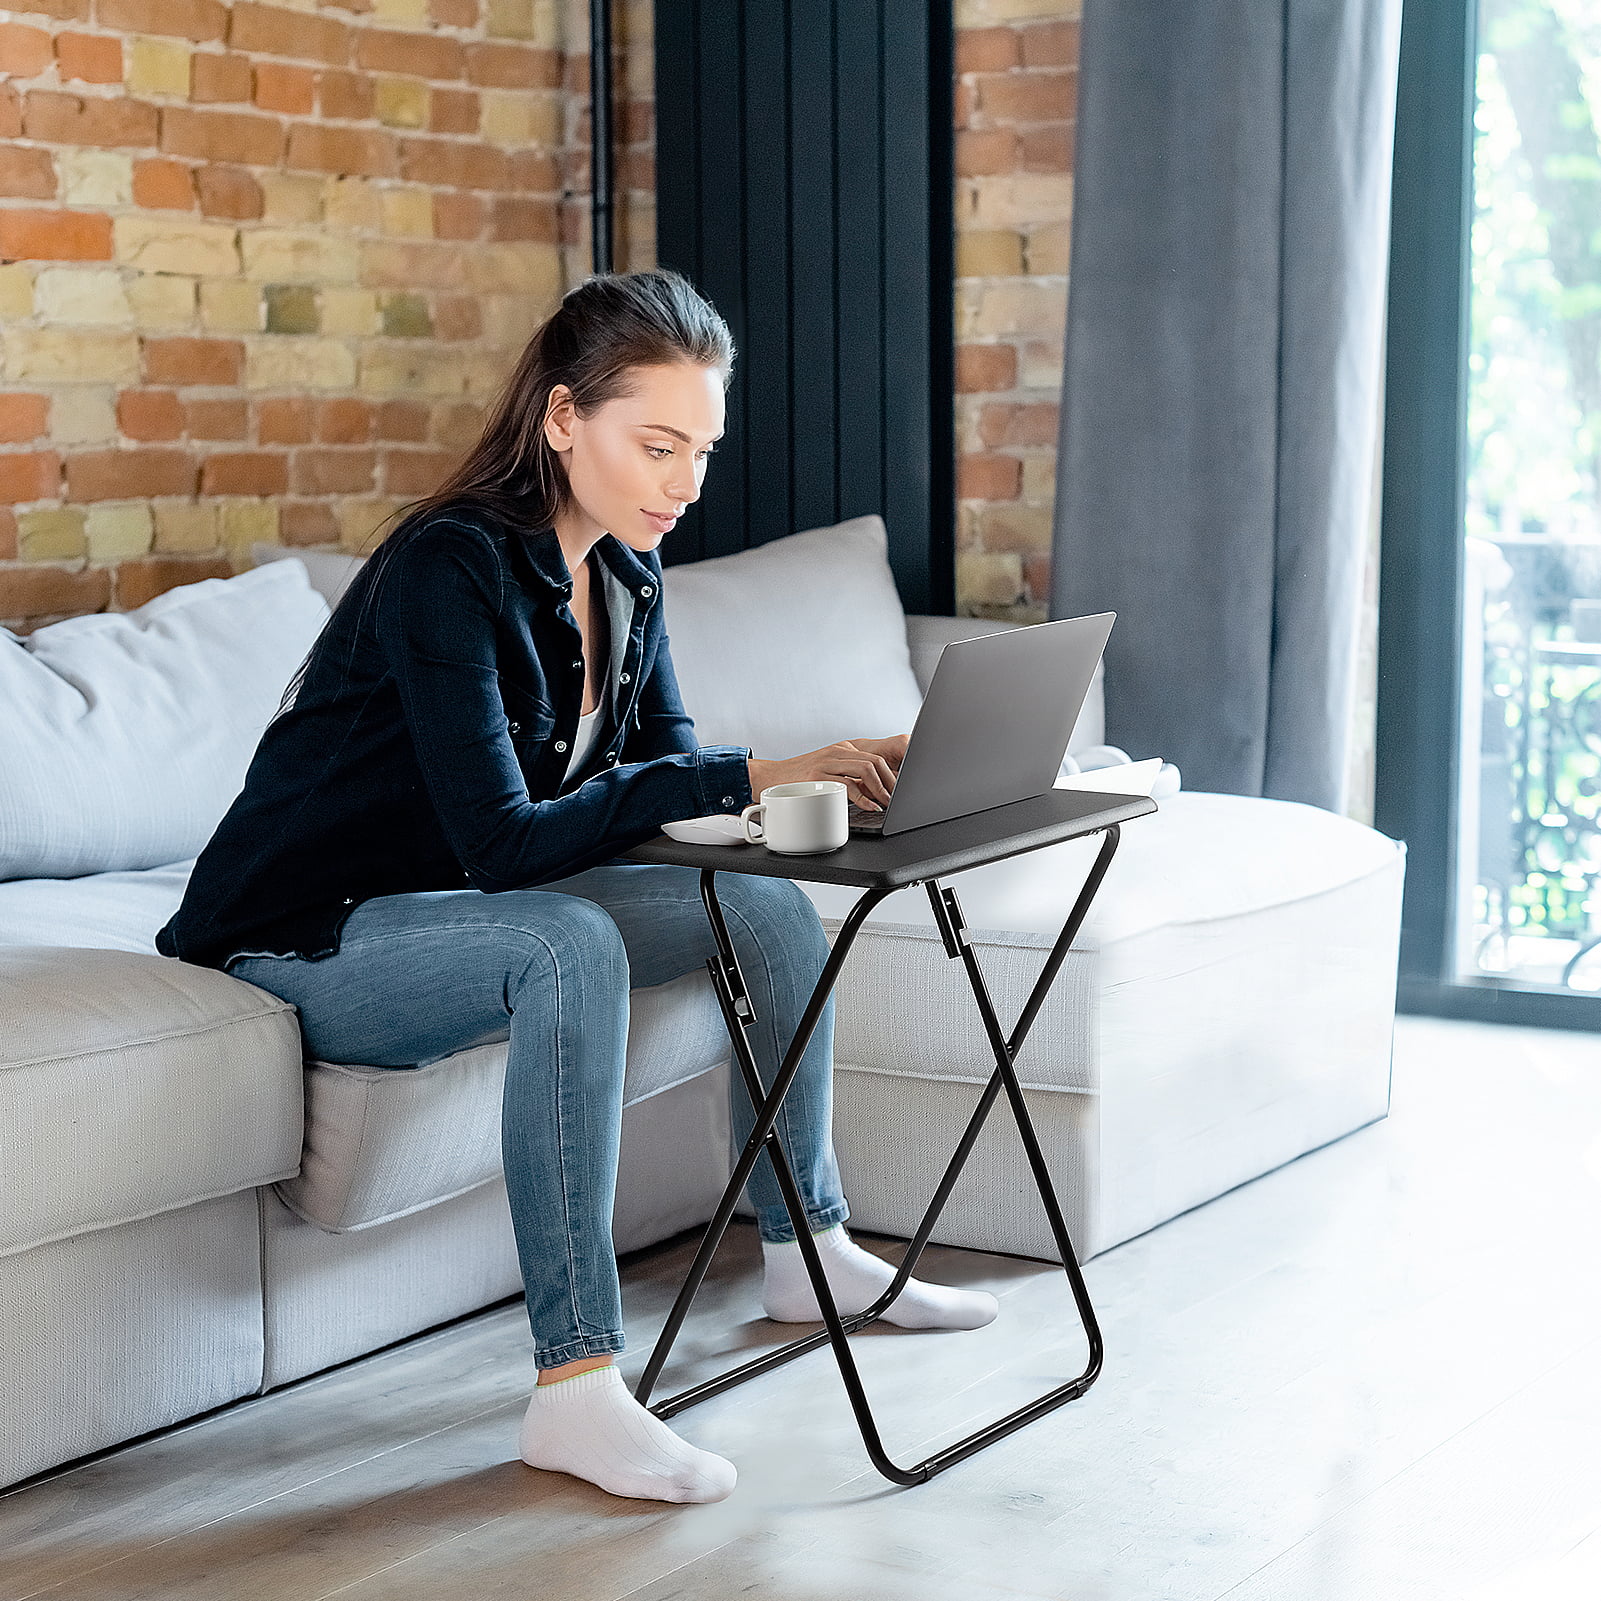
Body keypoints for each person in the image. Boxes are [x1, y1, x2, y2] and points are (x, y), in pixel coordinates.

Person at [154, 267, 998, 1506]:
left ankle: (807, 1246)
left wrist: (826, 785)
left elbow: (669, 786)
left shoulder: (629, 577)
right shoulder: (448, 565)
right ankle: (576, 1383)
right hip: (301, 928)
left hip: (452, 905)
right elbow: (505, 845)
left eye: (700, 450)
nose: (685, 483)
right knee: (563, 943)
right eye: (657, 446)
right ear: (561, 417)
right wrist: (753, 769)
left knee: (766, 909)